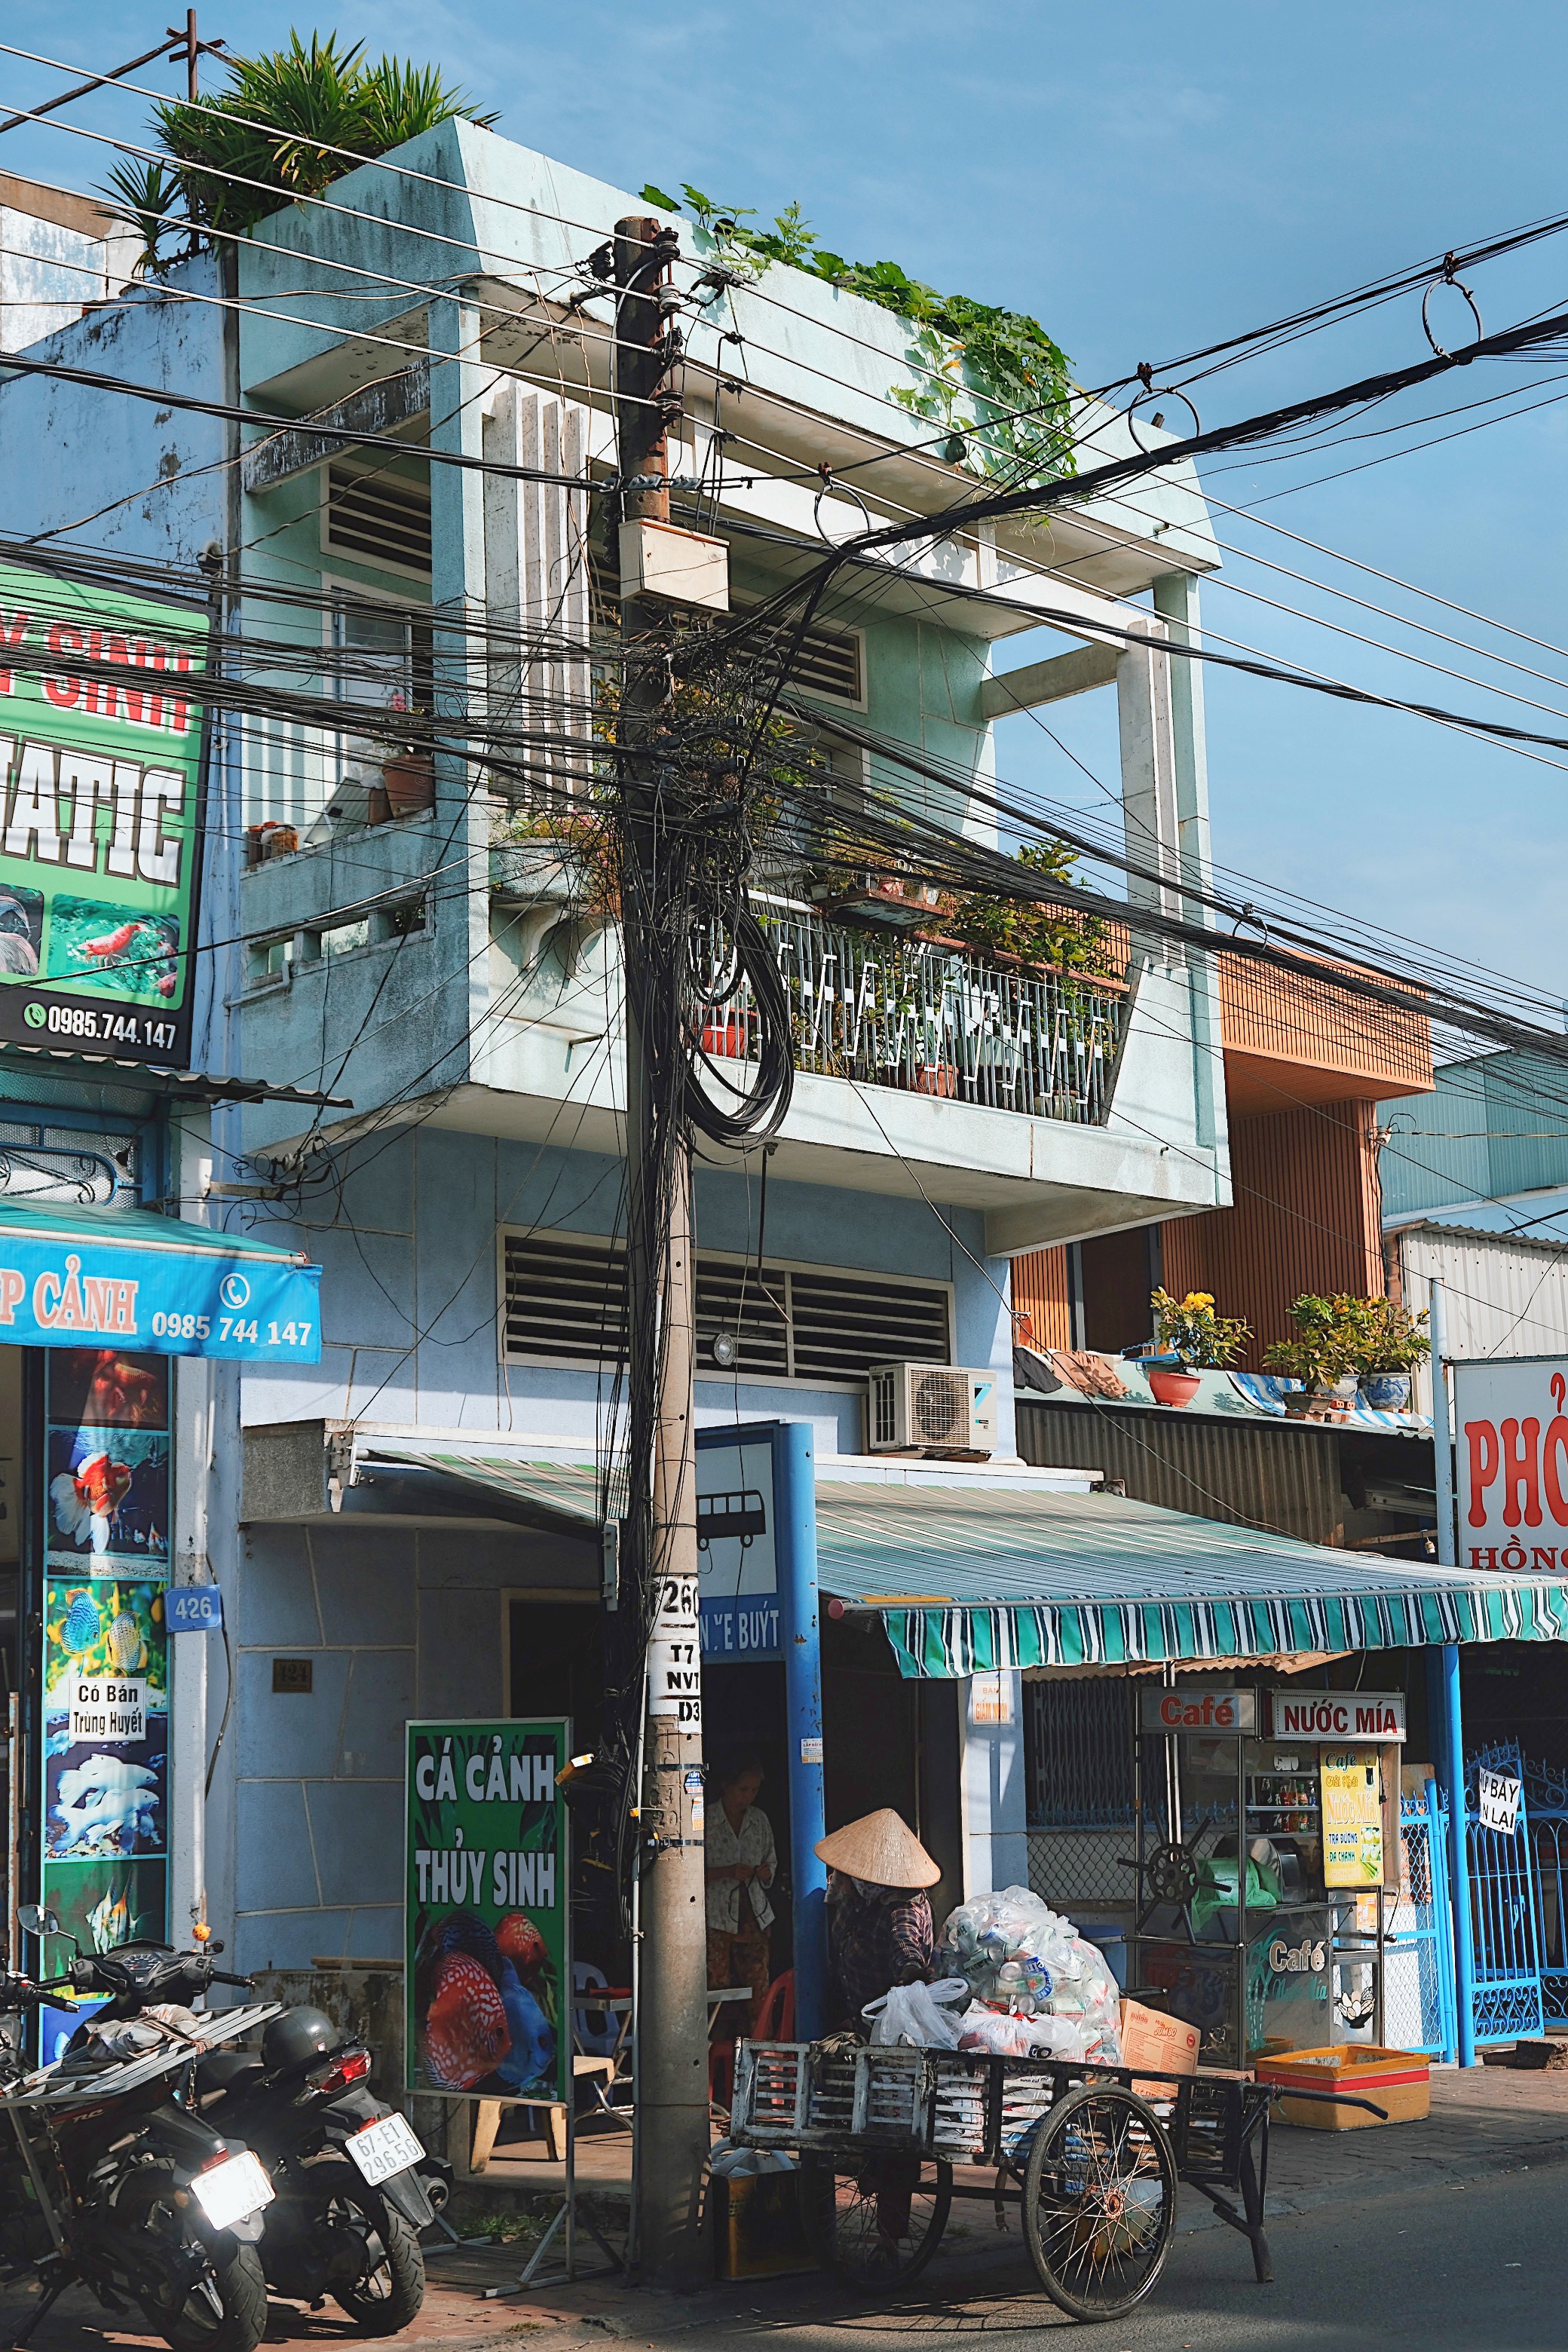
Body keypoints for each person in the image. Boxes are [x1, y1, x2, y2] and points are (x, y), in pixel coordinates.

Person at [816, 1808, 939, 2033]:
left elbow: (905, 1941)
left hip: (885, 2025)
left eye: (845, 1877)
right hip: (851, 2009)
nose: (838, 1882)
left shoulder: (902, 1908)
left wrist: (911, 1968)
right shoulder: (856, 1898)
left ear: (862, 1881)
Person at [704, 1756, 777, 2032]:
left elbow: (771, 1860)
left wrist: (765, 1873)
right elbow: (687, 1872)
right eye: (743, 1789)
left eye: (754, 1790)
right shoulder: (707, 1819)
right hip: (717, 1917)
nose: (749, 1796)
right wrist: (726, 1872)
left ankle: (760, 2055)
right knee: (717, 1992)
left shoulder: (759, 1820)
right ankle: (716, 2052)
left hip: (754, 1915)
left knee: (758, 1990)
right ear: (726, 1786)